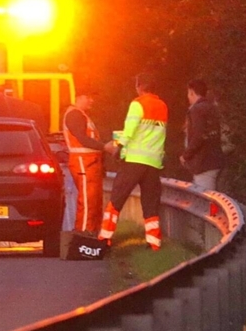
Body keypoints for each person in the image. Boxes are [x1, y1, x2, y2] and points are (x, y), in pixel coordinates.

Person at [99, 72, 168, 250]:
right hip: (153, 163)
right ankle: (154, 243)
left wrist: (118, 146)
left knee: (117, 199)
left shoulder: (138, 104)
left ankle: (104, 238)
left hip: (134, 161)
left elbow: (129, 130)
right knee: (150, 203)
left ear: (140, 87)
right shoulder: (162, 106)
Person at [62, 87, 106, 234]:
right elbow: (82, 139)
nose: (91, 101)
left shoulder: (81, 115)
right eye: (88, 97)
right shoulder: (74, 115)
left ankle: (93, 233)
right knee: (87, 201)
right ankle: (84, 234)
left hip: (90, 163)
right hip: (83, 162)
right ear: (79, 97)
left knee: (93, 201)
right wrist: (105, 147)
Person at [179, 79, 226, 191]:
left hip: (203, 163)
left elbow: (198, 136)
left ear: (192, 92)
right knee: (213, 198)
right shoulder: (212, 108)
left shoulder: (196, 110)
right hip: (216, 160)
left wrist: (185, 155)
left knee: (205, 200)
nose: (188, 97)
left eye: (188, 93)